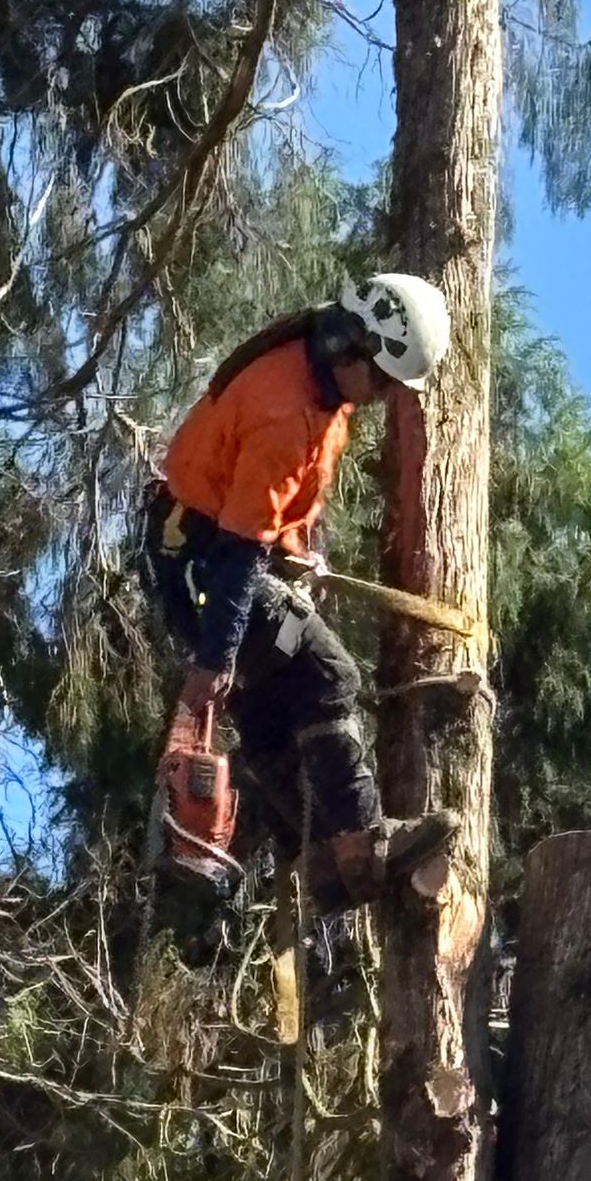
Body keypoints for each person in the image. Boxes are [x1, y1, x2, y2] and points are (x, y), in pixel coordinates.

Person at [144, 272, 454, 906]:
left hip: (199, 560)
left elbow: (265, 510)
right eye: (385, 380)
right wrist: (215, 659)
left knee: (270, 709)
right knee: (329, 676)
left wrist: (293, 556)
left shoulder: (317, 379)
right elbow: (236, 551)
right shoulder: (284, 412)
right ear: (355, 349)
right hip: (213, 571)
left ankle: (320, 862)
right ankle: (364, 842)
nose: (383, 396)